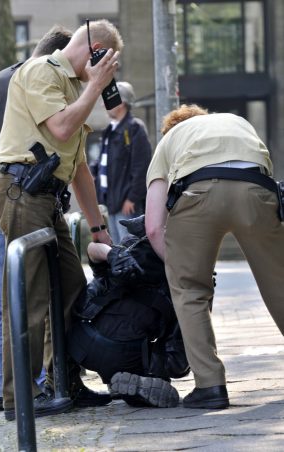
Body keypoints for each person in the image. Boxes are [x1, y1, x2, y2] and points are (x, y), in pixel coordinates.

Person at [0, 19, 123, 421]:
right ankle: (20, 398)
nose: (109, 71)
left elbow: (78, 164)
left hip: (46, 196)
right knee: (29, 295)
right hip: (21, 190)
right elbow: (62, 128)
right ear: (95, 49)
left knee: (70, 285)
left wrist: (98, 228)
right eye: (108, 61)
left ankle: (62, 381)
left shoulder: (71, 87)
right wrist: (96, 86)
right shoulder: (40, 72)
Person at [145, 103, 284, 410]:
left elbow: (154, 228)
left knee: (190, 290)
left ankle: (210, 387)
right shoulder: (236, 122)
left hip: (197, 193)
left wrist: (181, 266)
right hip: (256, 188)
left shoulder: (169, 141)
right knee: (279, 283)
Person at [0, 25, 73, 413]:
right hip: (15, 190)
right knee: (24, 290)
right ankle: (30, 387)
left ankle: (6, 392)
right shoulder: (36, 81)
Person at [67, 215, 190, 408]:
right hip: (126, 355)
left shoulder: (125, 254)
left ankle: (107, 378)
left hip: (78, 342)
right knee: (166, 357)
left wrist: (112, 254)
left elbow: (93, 249)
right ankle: (145, 375)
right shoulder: (180, 280)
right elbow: (178, 364)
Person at [93, 81, 152, 244]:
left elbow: (142, 167)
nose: (105, 104)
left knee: (130, 247)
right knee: (120, 247)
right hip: (111, 201)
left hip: (126, 203)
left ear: (122, 103)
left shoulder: (134, 128)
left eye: (109, 99)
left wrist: (132, 198)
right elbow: (101, 162)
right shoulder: (110, 130)